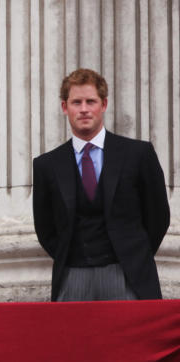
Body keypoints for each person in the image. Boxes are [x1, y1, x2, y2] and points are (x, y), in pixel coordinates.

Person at [33, 68, 170, 301]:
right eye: (76, 102)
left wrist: (135, 253)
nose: (84, 109)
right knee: (74, 338)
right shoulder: (47, 165)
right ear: (65, 107)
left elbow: (158, 216)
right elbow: (46, 228)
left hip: (128, 273)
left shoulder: (138, 154)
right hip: (73, 275)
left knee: (131, 338)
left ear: (103, 104)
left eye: (91, 101)